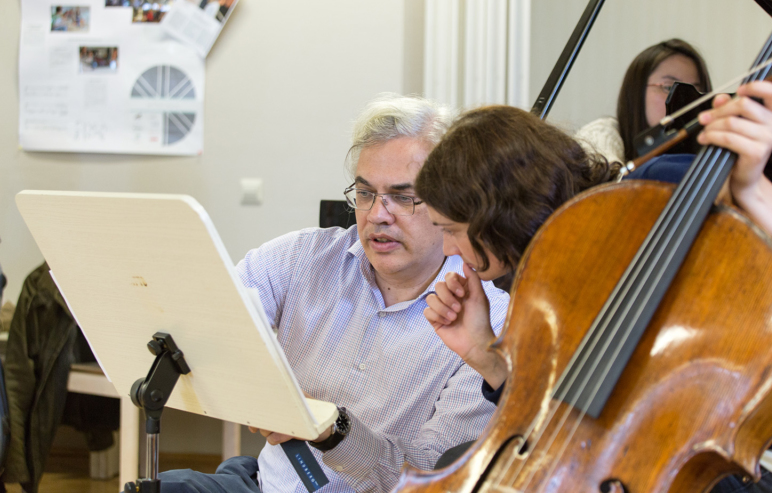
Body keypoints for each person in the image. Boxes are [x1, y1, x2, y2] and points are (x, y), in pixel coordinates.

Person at [415, 81, 772, 491]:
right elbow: (561, 431)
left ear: (497, 214)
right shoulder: (536, 277)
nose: (449, 249)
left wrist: (752, 189)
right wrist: (483, 353)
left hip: (754, 459)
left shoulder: (650, 191)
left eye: (451, 230)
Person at [157, 94, 509, 493]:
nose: (377, 214)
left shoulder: (490, 325)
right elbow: (206, 317)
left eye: (403, 196)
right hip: (265, 483)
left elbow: (426, 476)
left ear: (451, 201)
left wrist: (329, 427)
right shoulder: (301, 257)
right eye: (365, 193)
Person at [575, 38, 712, 164]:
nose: (684, 99)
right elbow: (608, 181)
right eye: (668, 87)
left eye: (694, 90)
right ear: (637, 91)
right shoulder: (600, 135)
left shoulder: (707, 144)